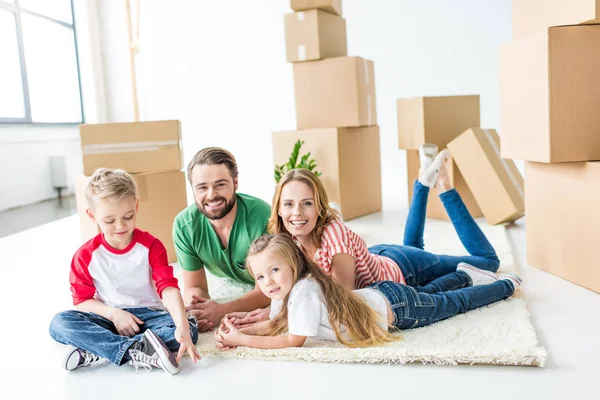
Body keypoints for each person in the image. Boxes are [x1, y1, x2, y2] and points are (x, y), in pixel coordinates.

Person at [228, 144, 503, 329]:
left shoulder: (334, 235)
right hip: (374, 256)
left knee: (487, 261)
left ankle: (442, 185)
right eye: (288, 204)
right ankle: (422, 182)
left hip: (401, 269)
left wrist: (276, 319)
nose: (296, 213)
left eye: (307, 203)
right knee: (413, 245)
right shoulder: (285, 240)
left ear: (319, 206)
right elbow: (284, 287)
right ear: (278, 207)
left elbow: (342, 298)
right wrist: (269, 310)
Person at [214, 234, 521, 349]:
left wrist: (244, 340)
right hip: (383, 295)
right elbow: (275, 323)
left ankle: (504, 286)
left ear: (293, 265)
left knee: (452, 304)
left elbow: (293, 339)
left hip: (398, 309)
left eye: (274, 270)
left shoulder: (304, 291)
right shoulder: (283, 293)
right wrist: (238, 329)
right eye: (261, 276)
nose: (268, 281)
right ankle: (464, 275)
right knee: (432, 292)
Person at [49, 168, 200, 374]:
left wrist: (181, 325)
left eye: (128, 216)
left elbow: (168, 288)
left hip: (150, 317)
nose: (120, 226)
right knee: (59, 324)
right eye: (109, 221)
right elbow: (82, 300)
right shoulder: (85, 256)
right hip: (109, 318)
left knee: (188, 329)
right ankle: (138, 348)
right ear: (92, 215)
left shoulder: (152, 246)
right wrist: (114, 315)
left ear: (136, 206)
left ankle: (100, 349)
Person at [173, 147, 272, 333]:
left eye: (220, 184)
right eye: (202, 187)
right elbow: (194, 286)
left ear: (235, 182)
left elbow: (268, 291)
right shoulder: (184, 226)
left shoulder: (263, 217)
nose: (211, 195)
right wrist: (198, 311)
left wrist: (222, 310)